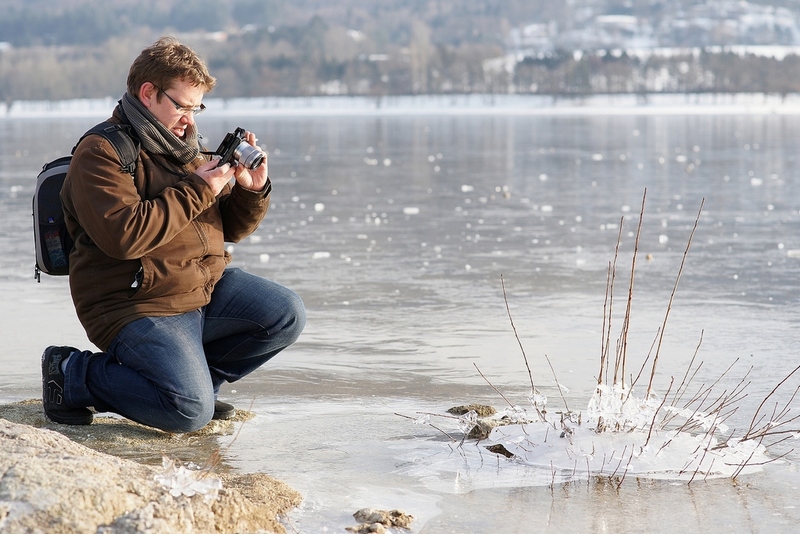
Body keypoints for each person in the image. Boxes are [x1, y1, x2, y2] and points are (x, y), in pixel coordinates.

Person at [41, 37, 306, 433]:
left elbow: (230, 230)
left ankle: (195, 385)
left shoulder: (187, 148)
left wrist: (250, 191)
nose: (190, 120)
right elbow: (125, 236)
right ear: (148, 93)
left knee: (285, 313)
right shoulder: (102, 152)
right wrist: (200, 188)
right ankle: (72, 373)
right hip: (136, 302)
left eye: (196, 108)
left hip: (200, 287)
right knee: (188, 412)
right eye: (182, 106)